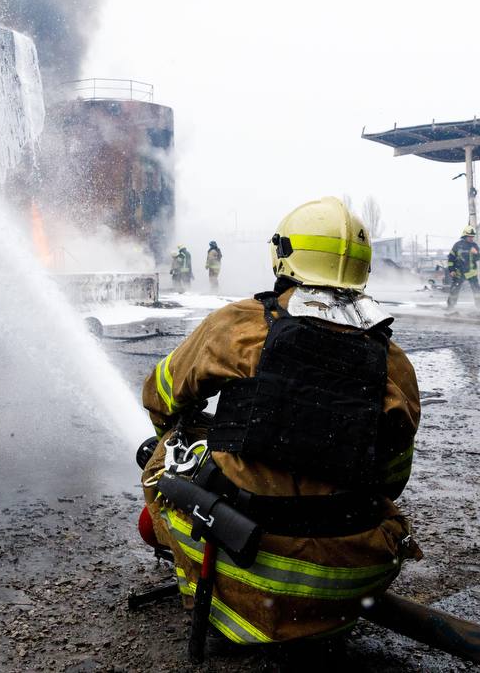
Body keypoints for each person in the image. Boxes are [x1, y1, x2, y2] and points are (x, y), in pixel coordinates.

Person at [139, 196, 421, 654]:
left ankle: (201, 587)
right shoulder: (393, 361)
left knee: (165, 453)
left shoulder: (240, 324)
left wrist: (193, 443)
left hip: (244, 560)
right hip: (352, 578)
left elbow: (161, 394)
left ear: (283, 255)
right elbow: (392, 480)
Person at [445, 225, 480, 310]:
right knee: (454, 290)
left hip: (471, 273)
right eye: (470, 236)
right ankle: (450, 307)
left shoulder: (474, 246)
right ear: (465, 235)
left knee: (477, 291)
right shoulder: (457, 245)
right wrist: (451, 270)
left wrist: (476, 253)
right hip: (459, 273)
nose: (471, 238)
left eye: (472, 236)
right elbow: (451, 258)